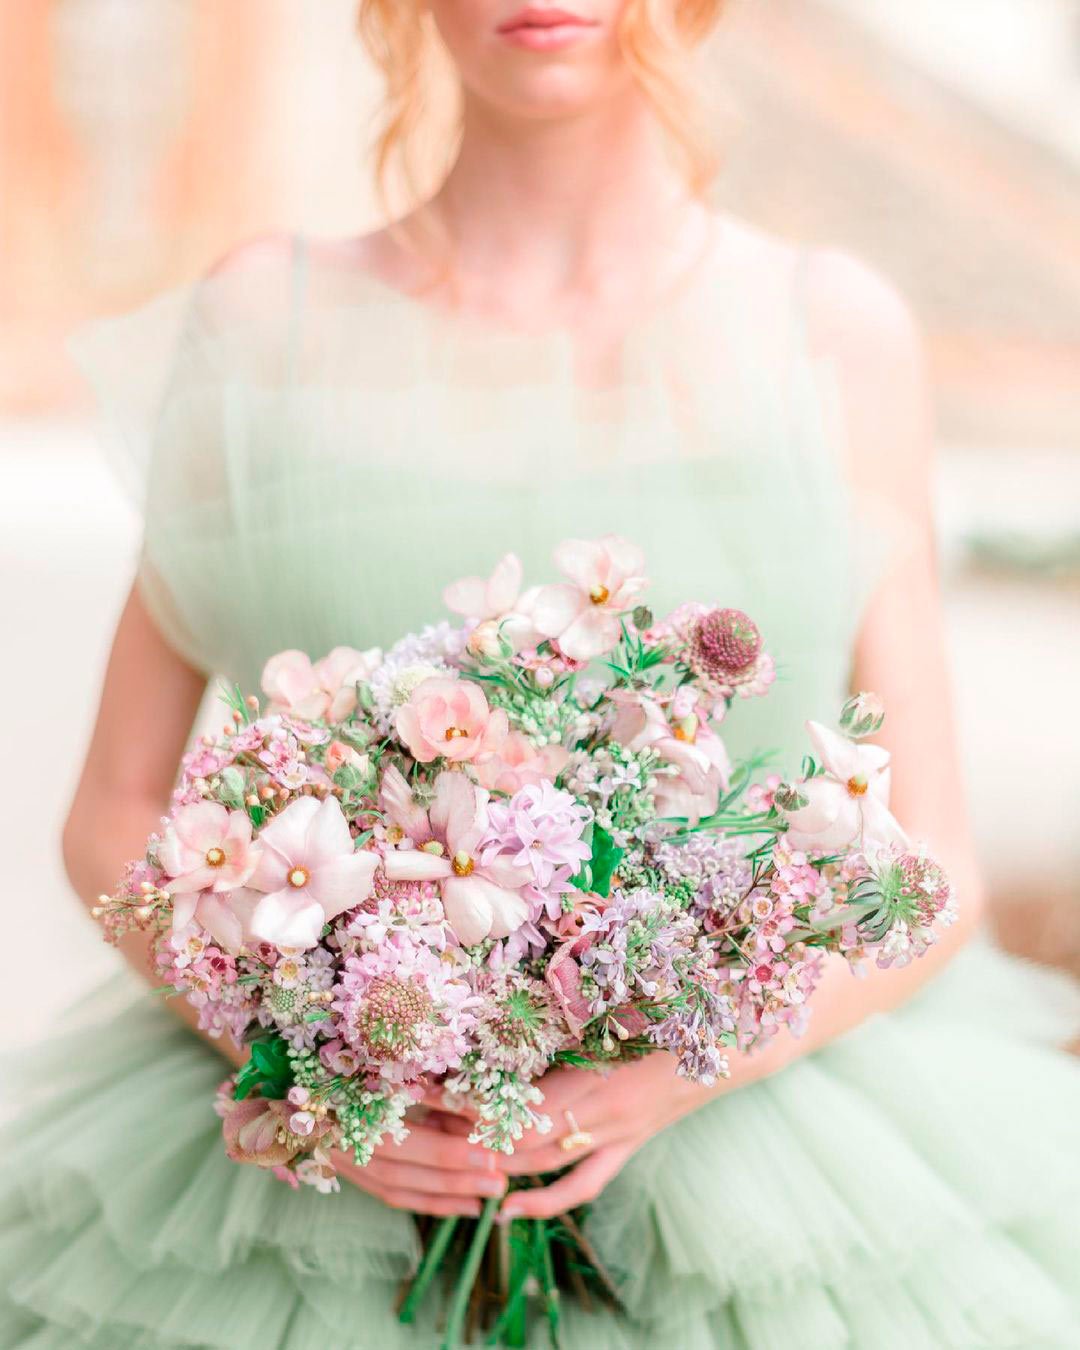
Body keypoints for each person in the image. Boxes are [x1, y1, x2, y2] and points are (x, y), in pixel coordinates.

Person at [4, 2, 1079, 1346]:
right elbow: (113, 817)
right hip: (304, 1195)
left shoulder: (833, 331)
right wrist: (316, 1071)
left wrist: (683, 1072)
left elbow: (936, 864)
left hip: (765, 1177)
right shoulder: (264, 318)